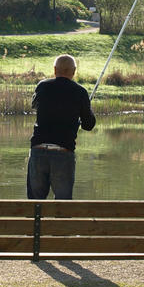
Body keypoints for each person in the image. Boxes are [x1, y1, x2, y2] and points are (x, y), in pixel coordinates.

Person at [27, 54, 96, 200]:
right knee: (62, 205)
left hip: (39, 150)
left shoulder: (42, 86)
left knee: (35, 203)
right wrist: (86, 108)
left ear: (54, 69)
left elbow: (34, 105)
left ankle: (36, 223)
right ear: (74, 71)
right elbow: (88, 125)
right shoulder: (80, 92)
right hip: (63, 152)